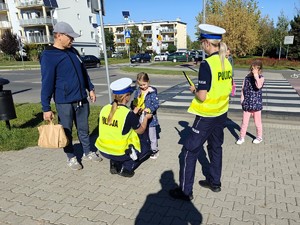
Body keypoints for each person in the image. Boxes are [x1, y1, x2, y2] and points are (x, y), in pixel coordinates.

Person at [169, 24, 233, 201]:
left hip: (207, 115)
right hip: (222, 113)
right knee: (215, 147)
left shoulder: (207, 64)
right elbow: (226, 88)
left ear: (206, 43)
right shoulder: (226, 62)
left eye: (201, 43)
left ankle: (185, 191)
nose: (201, 46)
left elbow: (203, 96)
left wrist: (193, 90)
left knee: (189, 150)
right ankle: (215, 182)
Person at [40, 21, 102, 171]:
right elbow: (47, 82)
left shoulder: (73, 51)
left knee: (83, 128)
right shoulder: (48, 55)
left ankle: (87, 152)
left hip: (81, 99)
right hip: (64, 102)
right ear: (59, 36)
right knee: (66, 130)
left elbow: (83, 72)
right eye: (70, 37)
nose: (72, 40)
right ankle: (71, 157)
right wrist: (46, 107)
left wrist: (90, 88)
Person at [95, 78, 153, 177]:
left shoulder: (104, 109)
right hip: (119, 152)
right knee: (147, 149)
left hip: (103, 149)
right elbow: (141, 130)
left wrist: (133, 115)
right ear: (126, 96)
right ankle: (126, 168)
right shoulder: (127, 114)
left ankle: (114, 164)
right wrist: (146, 119)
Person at [236, 59, 265, 145]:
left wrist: (256, 76)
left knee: (258, 123)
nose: (254, 71)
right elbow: (243, 89)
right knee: (244, 122)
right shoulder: (247, 78)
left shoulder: (261, 78)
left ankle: (259, 137)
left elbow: (258, 86)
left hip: (256, 105)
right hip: (247, 104)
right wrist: (242, 99)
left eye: (256, 69)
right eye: (253, 69)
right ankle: (241, 137)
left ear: (259, 70)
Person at [132, 72, 160, 159]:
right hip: (140, 117)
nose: (143, 87)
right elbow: (135, 102)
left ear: (148, 81)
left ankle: (154, 150)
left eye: (144, 84)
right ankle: (144, 148)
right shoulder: (138, 92)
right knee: (143, 134)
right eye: (140, 85)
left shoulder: (152, 92)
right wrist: (135, 107)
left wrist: (150, 109)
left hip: (150, 118)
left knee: (152, 135)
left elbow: (156, 104)